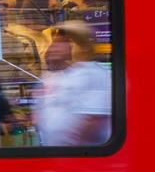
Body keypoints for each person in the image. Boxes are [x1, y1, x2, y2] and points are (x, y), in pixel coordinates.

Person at [34, 20, 112, 148]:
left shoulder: (95, 74)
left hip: (80, 159)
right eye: (54, 42)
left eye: (61, 42)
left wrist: (68, 155)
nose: (53, 47)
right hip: (55, 156)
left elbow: (91, 121)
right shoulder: (57, 76)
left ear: (77, 46)